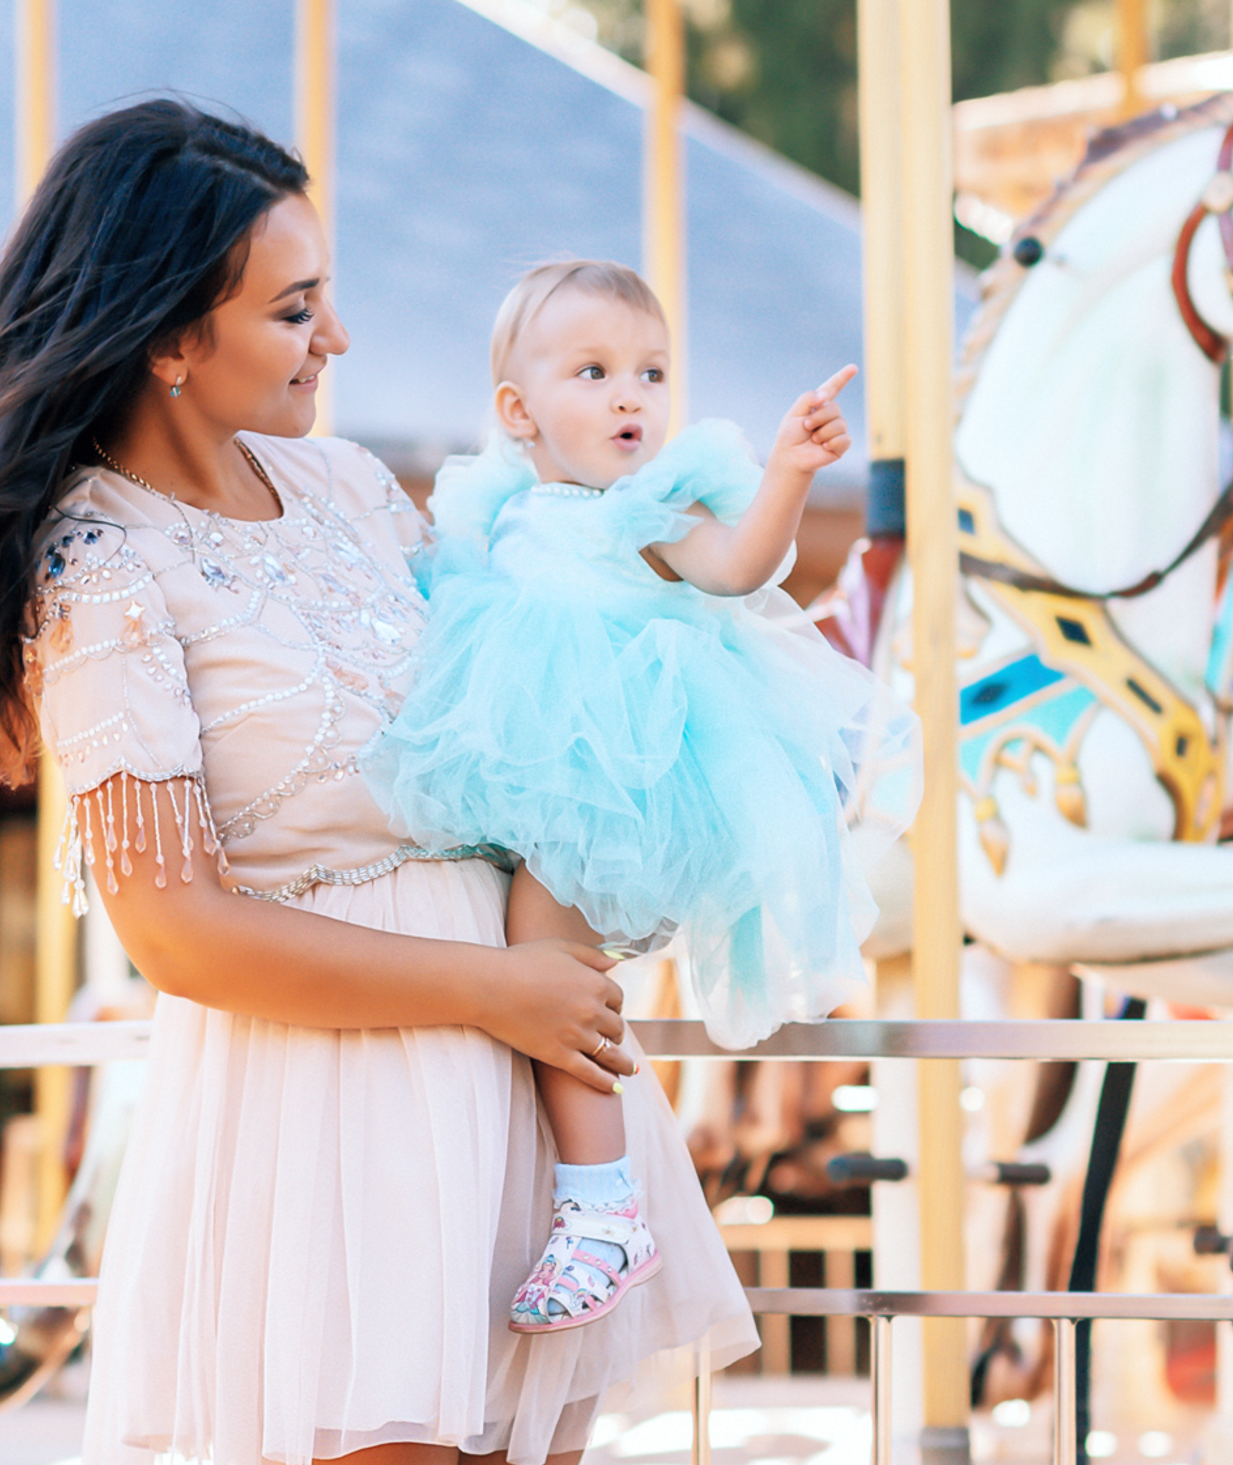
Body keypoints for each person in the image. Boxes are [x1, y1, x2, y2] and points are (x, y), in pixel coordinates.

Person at [0, 101, 754, 1465]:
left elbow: (510, 698)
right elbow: (176, 924)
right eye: (296, 310)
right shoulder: (104, 571)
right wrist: (497, 983)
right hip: (338, 1100)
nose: (340, 341)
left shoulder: (345, 487)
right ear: (174, 331)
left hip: (517, 1077)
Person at [364, 261, 920, 1337]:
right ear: (519, 413)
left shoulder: (646, 508)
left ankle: (602, 1207)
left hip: (621, 769)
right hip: (527, 760)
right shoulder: (499, 510)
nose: (632, 396)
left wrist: (790, 475)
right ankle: (566, 1192)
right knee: (513, 946)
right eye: (595, 371)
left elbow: (736, 570)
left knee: (546, 957)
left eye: (651, 372)